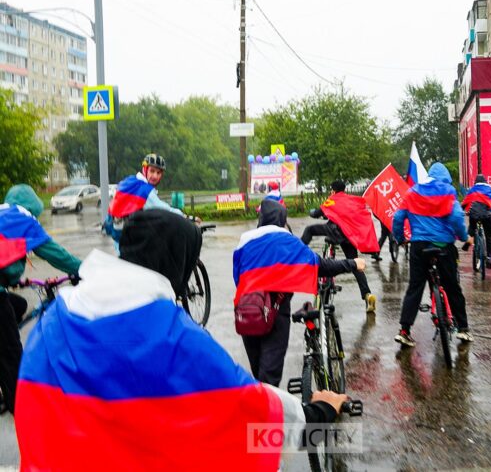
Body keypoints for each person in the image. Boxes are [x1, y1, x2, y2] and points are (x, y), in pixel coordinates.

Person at [15, 209, 348, 470]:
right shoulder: (175, 338)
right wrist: (321, 412)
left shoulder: (53, 320)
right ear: (178, 262)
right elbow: (251, 414)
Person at [235, 199, 366, 387]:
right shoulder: (286, 241)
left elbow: (237, 276)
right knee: (269, 379)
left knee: (258, 375)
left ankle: (260, 406)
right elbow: (320, 266)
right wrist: (353, 263)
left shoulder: (244, 241)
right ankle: (266, 412)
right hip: (275, 313)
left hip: (246, 312)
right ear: (281, 219)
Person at [0, 184, 81, 414]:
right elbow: (57, 255)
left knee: (19, 305)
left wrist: (10, 275)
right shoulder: (23, 219)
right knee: (11, 354)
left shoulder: (3, 213)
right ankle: (23, 411)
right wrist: (86, 269)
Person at [392, 163, 474, 347]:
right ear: (445, 178)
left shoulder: (412, 192)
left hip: (418, 246)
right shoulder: (448, 190)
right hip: (444, 246)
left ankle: (404, 330)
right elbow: (456, 218)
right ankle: (463, 329)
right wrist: (464, 238)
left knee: (415, 287)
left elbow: (398, 218)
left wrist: (400, 238)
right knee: (452, 287)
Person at [301, 180, 379, 313]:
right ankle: (367, 295)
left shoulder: (332, 200)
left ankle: (299, 254)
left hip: (334, 232)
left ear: (333, 190)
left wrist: (312, 212)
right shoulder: (350, 200)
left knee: (309, 230)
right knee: (354, 264)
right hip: (349, 235)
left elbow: (317, 213)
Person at [104, 153, 185, 248]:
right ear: (144, 169)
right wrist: (187, 218)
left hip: (119, 240)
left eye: (158, 173)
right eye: (152, 171)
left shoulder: (130, 181)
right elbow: (164, 210)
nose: (155, 176)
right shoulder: (145, 190)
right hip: (132, 245)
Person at [462, 174, 491, 269]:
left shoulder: (472, 189)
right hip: (486, 215)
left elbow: (465, 202)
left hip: (473, 214)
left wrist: (463, 211)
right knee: (489, 235)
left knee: (472, 227)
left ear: (476, 182)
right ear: (485, 181)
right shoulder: (490, 189)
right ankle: (489, 258)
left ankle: (468, 242)